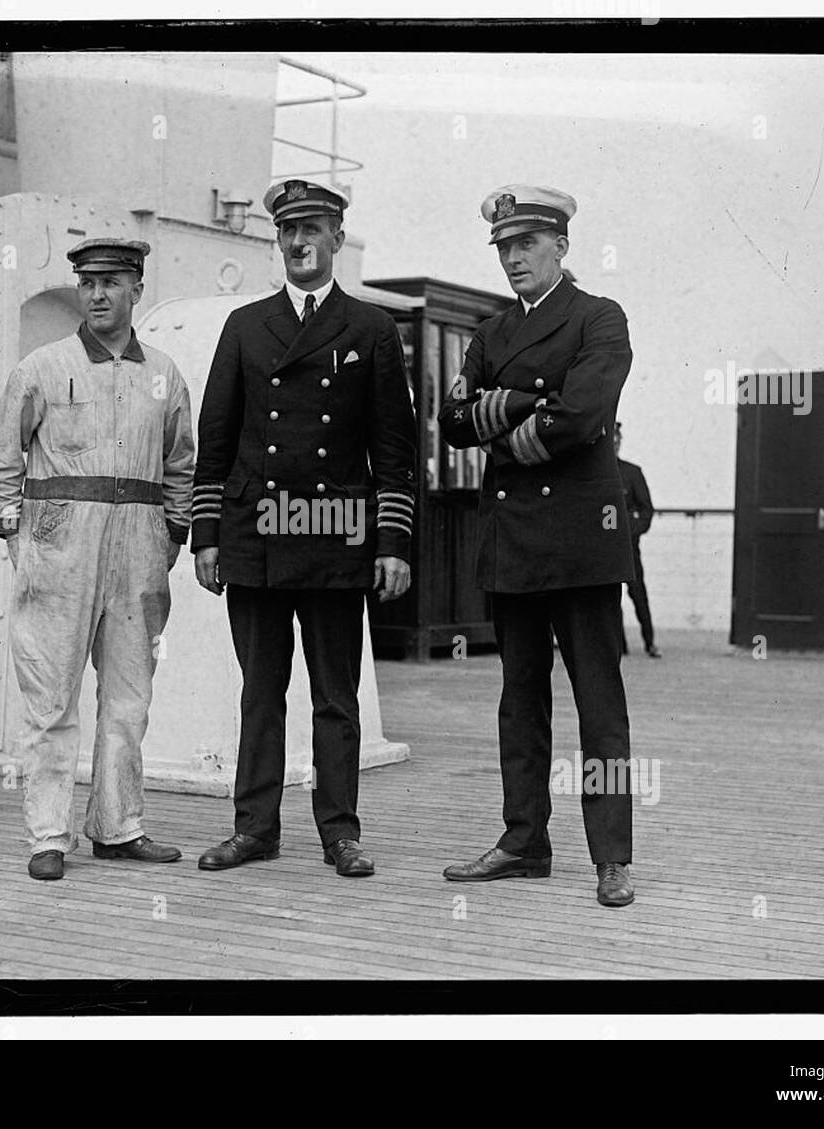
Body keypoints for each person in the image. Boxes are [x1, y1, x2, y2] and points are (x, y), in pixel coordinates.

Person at [191, 177, 417, 878]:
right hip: (256, 537)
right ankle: (255, 828)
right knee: (260, 692)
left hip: (334, 536)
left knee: (334, 697)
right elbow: (216, 438)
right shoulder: (245, 326)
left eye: (313, 230)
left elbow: (395, 447)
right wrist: (206, 536)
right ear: (277, 241)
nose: (299, 243)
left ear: (337, 241)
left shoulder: (373, 329)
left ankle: (340, 831)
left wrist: (393, 543)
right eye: (288, 231)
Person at [437, 185, 637, 907]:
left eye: (527, 245)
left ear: (561, 247)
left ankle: (612, 854)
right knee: (518, 702)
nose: (514, 258)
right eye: (504, 248)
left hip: (583, 544)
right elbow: (453, 419)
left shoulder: (599, 318)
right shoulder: (490, 333)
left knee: (599, 706)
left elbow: (583, 415)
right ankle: (524, 841)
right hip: (513, 541)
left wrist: (506, 415)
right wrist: (530, 405)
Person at [0, 237, 195, 881]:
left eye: (113, 282)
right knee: (50, 700)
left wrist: (172, 534)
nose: (98, 295)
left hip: (139, 551)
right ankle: (48, 834)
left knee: (129, 698)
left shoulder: (164, 372)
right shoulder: (42, 367)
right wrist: (17, 536)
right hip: (58, 549)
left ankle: (118, 826)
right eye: (88, 283)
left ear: (136, 289)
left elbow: (181, 460)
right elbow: (1, 457)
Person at [615, 422, 661, 658]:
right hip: (604, 550)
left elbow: (646, 509)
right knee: (610, 600)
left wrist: (633, 530)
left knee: (638, 594)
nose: (614, 444)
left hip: (629, 547)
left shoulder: (632, 472)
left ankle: (649, 642)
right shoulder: (594, 475)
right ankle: (619, 645)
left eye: (617, 439)